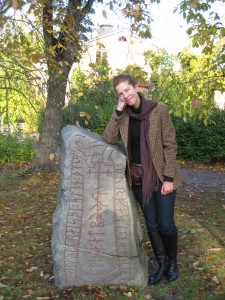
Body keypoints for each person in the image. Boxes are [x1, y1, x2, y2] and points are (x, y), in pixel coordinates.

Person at [103, 74, 181, 284]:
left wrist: (169, 178)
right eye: (120, 94)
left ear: (136, 87)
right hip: (138, 179)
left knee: (166, 225)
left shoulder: (158, 110)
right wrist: (118, 111)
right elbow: (108, 138)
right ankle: (161, 263)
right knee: (152, 225)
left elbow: (170, 145)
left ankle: (172, 262)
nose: (125, 96)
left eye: (127, 90)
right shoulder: (124, 116)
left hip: (161, 176)